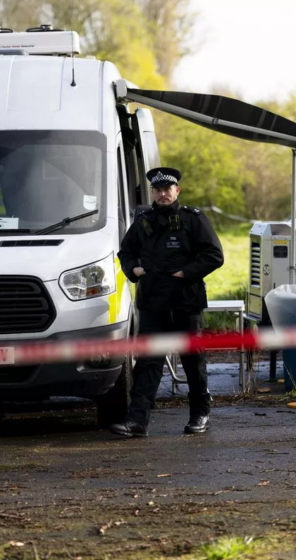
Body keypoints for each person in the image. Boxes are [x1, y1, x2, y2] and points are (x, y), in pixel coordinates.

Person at [110, 166, 224, 438]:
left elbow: (214, 255)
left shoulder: (193, 219)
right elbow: (125, 252)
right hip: (153, 303)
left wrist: (186, 273)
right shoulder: (143, 222)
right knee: (148, 363)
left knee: (192, 360)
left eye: (167, 189)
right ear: (152, 192)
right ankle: (137, 421)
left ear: (177, 191)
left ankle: (200, 415)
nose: (162, 194)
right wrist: (133, 270)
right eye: (157, 190)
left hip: (185, 302)